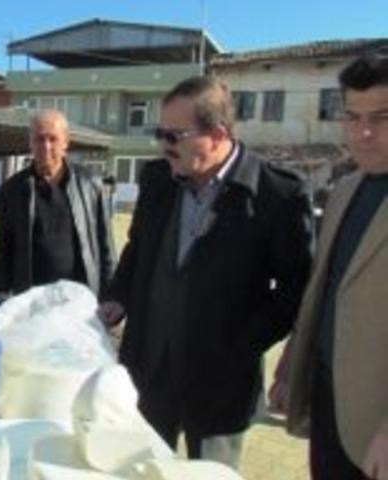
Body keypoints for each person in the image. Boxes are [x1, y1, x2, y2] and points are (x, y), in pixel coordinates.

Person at [99, 76, 313, 468]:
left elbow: (295, 290)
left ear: (216, 135)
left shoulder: (277, 194)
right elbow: (138, 249)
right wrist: (117, 296)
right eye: (159, 132)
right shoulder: (158, 178)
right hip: (149, 367)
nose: (163, 144)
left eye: (174, 135)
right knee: (139, 468)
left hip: (220, 382)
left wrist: (240, 344)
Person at [270, 47, 388, 480]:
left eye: (381, 117)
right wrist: (290, 366)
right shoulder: (344, 190)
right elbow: (324, 287)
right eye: (353, 117)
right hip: (328, 398)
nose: (364, 133)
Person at [0, 109, 113, 297]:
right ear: (30, 143)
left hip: (79, 299)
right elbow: (2, 248)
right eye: (39, 139)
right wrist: (1, 292)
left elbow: (105, 246)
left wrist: (109, 297)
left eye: (53, 139)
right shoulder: (12, 189)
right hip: (30, 300)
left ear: (66, 142)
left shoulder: (90, 185)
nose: (46, 146)